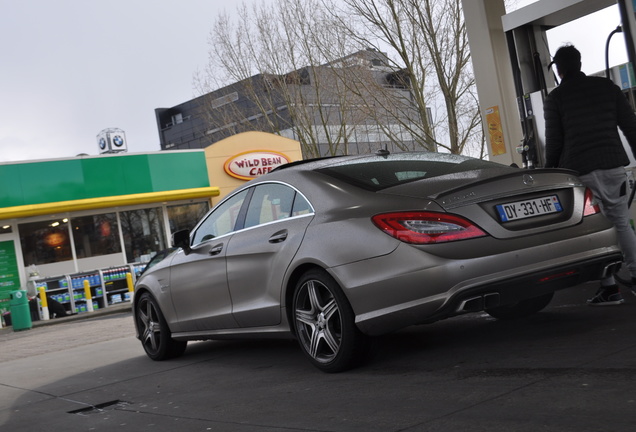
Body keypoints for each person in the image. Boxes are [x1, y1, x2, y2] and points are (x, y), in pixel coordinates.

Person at [544, 44, 636, 305]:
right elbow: (631, 127)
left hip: (580, 175)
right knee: (621, 222)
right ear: (580, 63)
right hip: (613, 168)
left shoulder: (556, 98)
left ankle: (609, 288)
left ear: (559, 69)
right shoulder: (609, 88)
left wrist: (549, 173)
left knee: (594, 232)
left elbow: (554, 142)